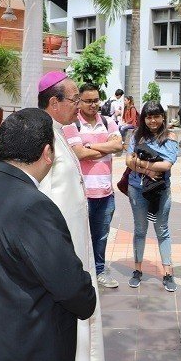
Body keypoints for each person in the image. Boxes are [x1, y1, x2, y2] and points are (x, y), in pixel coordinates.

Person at [0, 108, 97, 361]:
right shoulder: (34, 207)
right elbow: (71, 288)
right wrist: (86, 292)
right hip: (29, 350)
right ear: (48, 153)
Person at [37, 71, 104, 361]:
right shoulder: (40, 138)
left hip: (76, 238)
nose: (79, 105)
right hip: (61, 242)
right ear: (54, 102)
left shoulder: (59, 131)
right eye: (75, 99)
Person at [63, 83, 124, 289]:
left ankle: (99, 271)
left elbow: (118, 146)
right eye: (88, 101)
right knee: (78, 236)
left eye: (96, 100)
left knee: (101, 236)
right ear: (79, 102)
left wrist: (89, 146)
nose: (93, 105)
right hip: (82, 193)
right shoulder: (72, 125)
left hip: (106, 193)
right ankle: (79, 275)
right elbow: (78, 153)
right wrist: (102, 149)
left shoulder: (108, 122)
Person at [125, 101, 179, 291]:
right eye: (148, 117)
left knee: (162, 230)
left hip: (161, 190)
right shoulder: (136, 135)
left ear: (163, 117)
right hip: (137, 188)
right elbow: (128, 161)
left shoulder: (170, 137)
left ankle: (167, 273)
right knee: (140, 230)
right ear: (143, 118)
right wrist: (147, 171)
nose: (152, 120)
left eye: (156, 116)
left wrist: (140, 164)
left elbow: (167, 165)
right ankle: (137, 270)